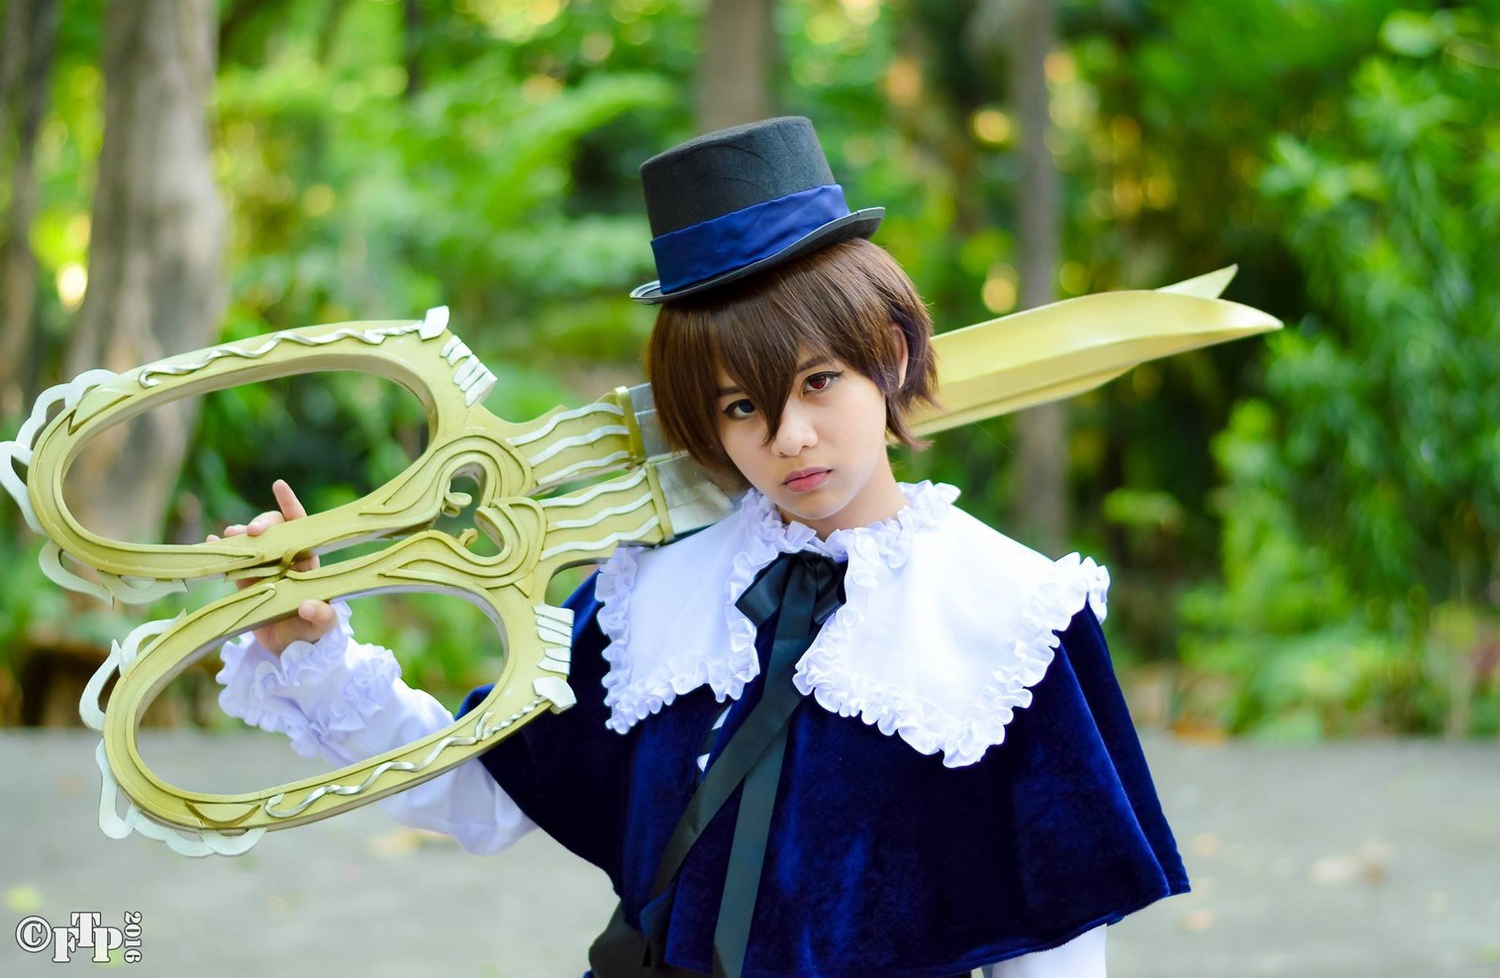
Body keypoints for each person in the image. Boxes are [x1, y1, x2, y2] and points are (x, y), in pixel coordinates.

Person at [215, 117, 1189, 977]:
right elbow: (481, 794)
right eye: (740, 405)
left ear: (888, 355)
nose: (790, 436)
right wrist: (305, 649)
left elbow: (1057, 948)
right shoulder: (656, 595)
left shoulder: (1011, 613)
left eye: (819, 382)